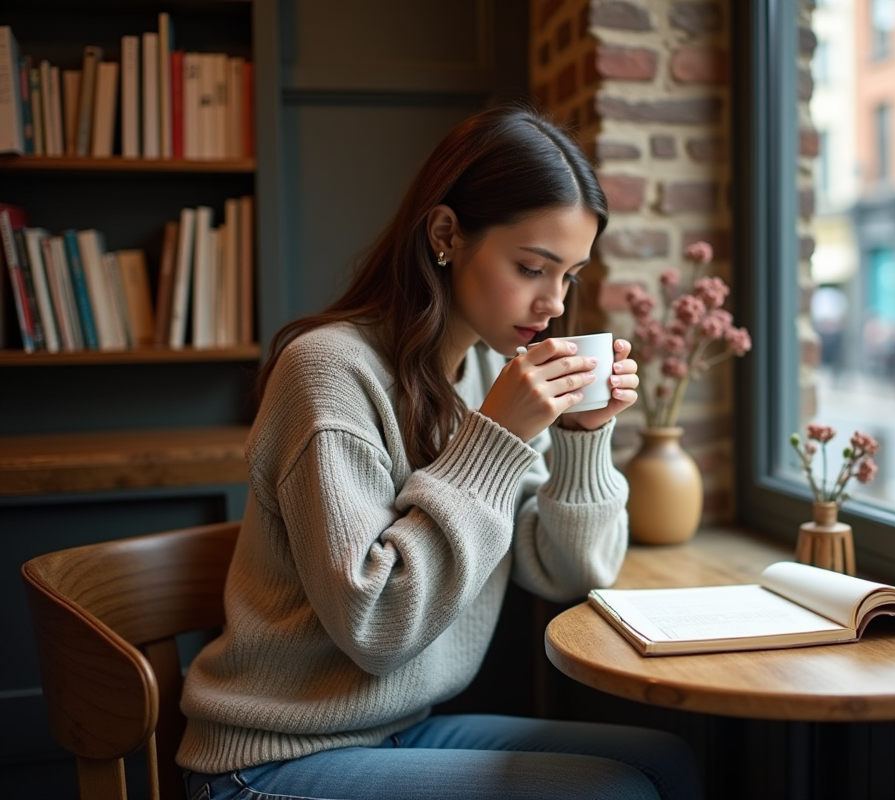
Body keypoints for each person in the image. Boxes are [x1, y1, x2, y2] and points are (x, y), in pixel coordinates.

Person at [175, 105, 701, 800]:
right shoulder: (328, 372)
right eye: (531, 267)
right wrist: (495, 439)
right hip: (271, 758)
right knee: (613, 793)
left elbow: (568, 568)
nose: (552, 302)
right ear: (447, 235)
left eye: (569, 275)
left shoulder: (488, 372)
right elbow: (377, 624)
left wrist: (581, 435)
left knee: (670, 762)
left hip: (399, 727)